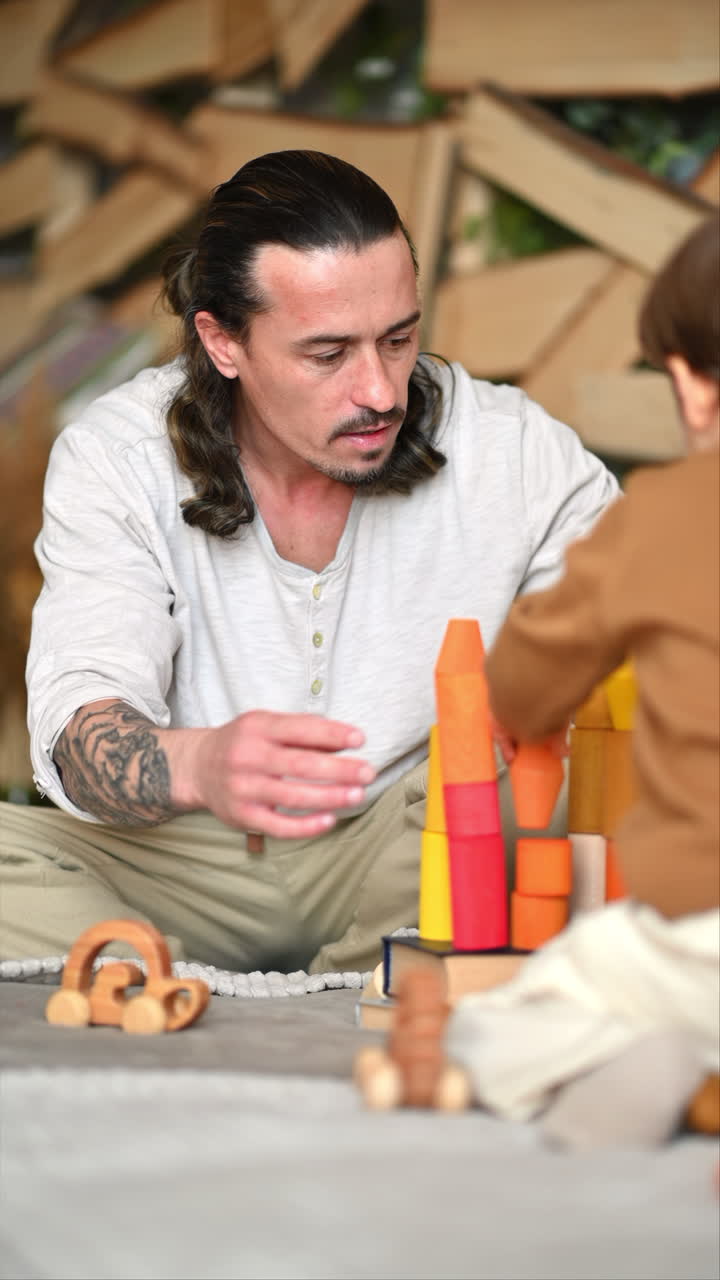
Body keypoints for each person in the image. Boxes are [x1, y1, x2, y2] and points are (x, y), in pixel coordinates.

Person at [0, 150, 618, 973]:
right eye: (328, 355)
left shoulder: (513, 447)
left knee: (564, 781)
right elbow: (81, 734)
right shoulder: (118, 456)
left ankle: (289, 984)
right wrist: (203, 763)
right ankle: (226, 981)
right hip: (189, 859)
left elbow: (647, 640)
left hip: (415, 854)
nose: (380, 392)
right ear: (222, 341)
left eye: (398, 339)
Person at [432, 213, 719, 1148]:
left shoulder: (663, 516)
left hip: (696, 939)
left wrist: (520, 701)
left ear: (691, 384)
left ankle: (649, 1071)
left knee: (527, 1003)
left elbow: (522, 684)